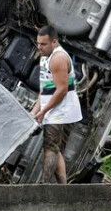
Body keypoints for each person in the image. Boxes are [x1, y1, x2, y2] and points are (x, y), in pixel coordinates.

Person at [30, 25, 81, 184]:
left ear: (54, 42)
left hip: (60, 109)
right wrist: (35, 110)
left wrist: (44, 111)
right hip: (51, 107)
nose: (39, 47)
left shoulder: (58, 58)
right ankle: (63, 187)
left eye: (43, 44)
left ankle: (44, 185)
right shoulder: (45, 55)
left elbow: (61, 90)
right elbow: (45, 88)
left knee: (50, 148)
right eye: (38, 43)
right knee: (55, 148)